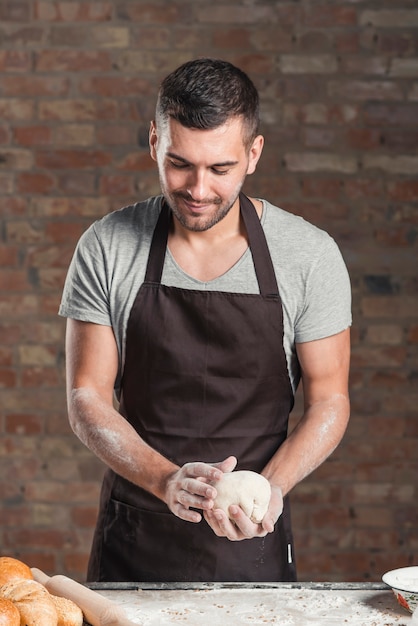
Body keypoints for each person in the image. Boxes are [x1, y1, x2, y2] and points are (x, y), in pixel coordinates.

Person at [59, 58, 351, 583]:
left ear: (253, 155)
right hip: (136, 537)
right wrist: (166, 479)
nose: (198, 189)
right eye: (180, 164)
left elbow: (330, 400)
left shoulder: (308, 256)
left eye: (220, 169)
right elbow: (86, 398)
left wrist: (270, 490)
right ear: (154, 142)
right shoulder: (106, 247)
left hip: (252, 539)